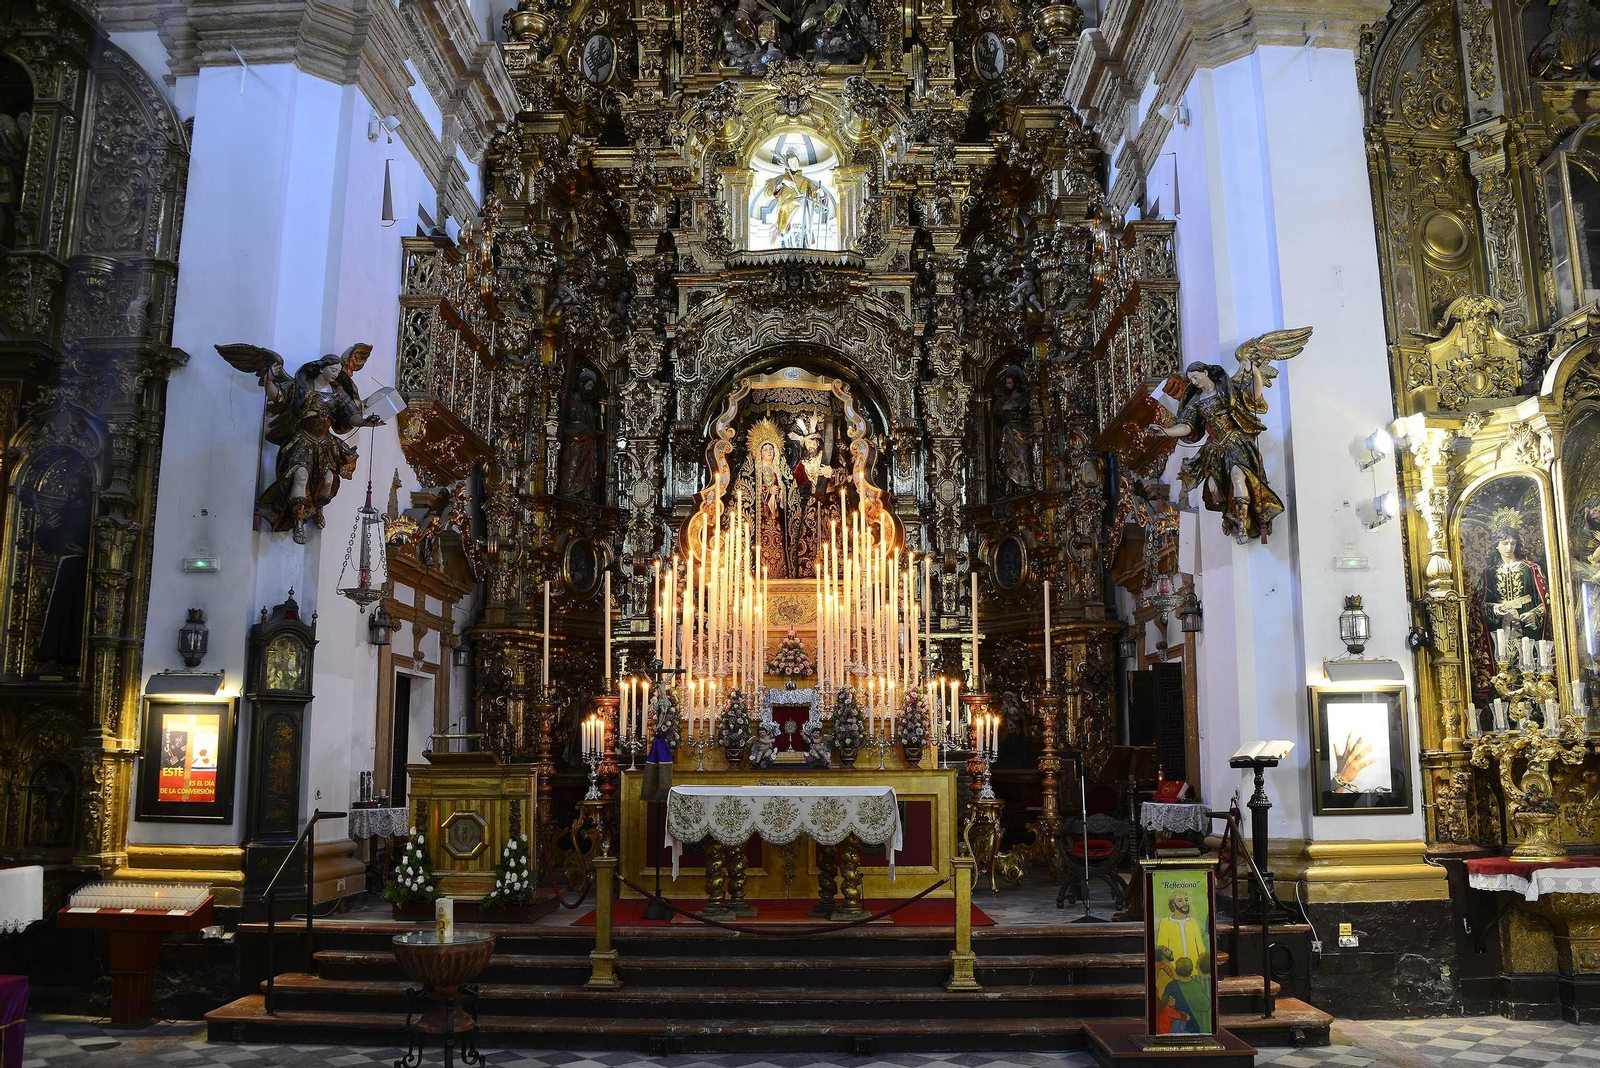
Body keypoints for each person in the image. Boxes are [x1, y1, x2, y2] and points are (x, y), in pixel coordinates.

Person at [1147, 361, 1285, 543]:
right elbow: (1187, 426)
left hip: (1235, 442)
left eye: (1195, 377)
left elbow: (1253, 394)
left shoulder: (1226, 389)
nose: (1194, 382)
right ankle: (1229, 515)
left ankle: (1243, 526)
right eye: (1191, 380)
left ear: (1205, 372)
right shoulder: (1196, 401)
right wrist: (1166, 431)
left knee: (1237, 477)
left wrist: (1256, 373)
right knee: (1214, 490)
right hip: (1214, 450)